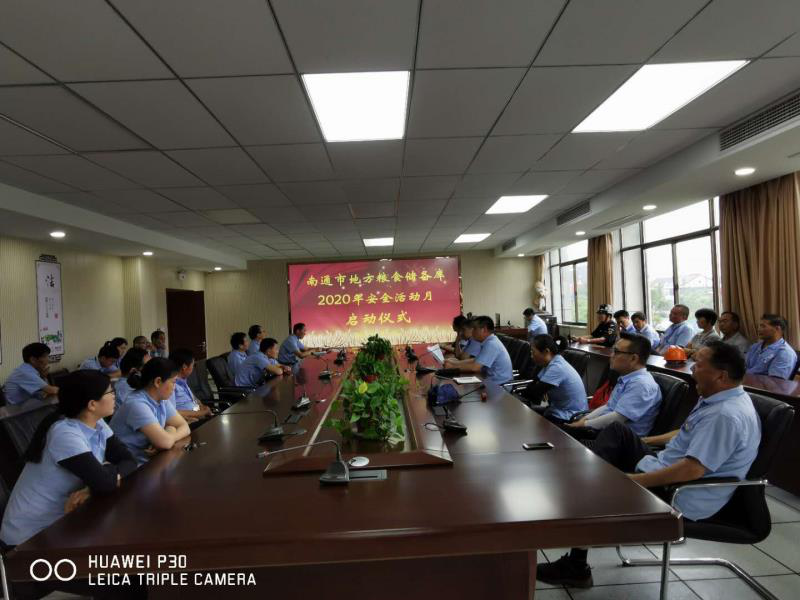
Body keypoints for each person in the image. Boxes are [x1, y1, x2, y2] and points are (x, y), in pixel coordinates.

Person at [539, 342, 760, 588]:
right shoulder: (717, 398)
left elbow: (692, 470)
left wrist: (631, 481)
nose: (692, 369)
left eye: (698, 365)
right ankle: (585, 483)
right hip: (664, 465)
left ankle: (576, 563)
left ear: (721, 375)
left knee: (596, 486)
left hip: (680, 493)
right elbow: (684, 432)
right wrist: (644, 441)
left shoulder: (725, 415)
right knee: (618, 433)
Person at [0, 370, 137, 546]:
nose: (114, 396)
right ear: (92, 404)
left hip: (64, 520)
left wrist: (91, 488)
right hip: (30, 535)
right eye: (110, 392)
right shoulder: (64, 433)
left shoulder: (97, 423)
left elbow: (128, 460)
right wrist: (104, 475)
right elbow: (104, 482)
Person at [565, 333, 661, 437]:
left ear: (633, 358)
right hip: (606, 433)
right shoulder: (627, 378)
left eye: (616, 352)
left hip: (621, 442)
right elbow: (609, 406)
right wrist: (585, 419)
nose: (611, 355)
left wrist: (584, 424)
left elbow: (618, 418)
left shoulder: (641, 384)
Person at [109, 358, 190, 465]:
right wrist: (167, 436)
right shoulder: (136, 404)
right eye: (173, 382)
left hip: (150, 461)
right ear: (158, 382)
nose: (174, 388)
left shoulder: (161, 399)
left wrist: (169, 432)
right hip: (131, 468)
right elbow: (165, 442)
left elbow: (184, 426)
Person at [522, 334, 587, 423]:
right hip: (557, 410)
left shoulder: (557, 367)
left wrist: (524, 396)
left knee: (528, 421)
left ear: (546, 351)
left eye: (533, 352)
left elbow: (534, 393)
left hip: (570, 416)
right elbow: (533, 386)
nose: (531, 356)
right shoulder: (552, 363)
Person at [444, 316, 513, 385]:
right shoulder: (488, 342)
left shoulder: (491, 344)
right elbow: (476, 360)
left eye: (474, 329)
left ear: (484, 329)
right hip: (490, 381)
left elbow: (475, 367)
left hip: (500, 386)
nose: (472, 331)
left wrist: (452, 367)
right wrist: (455, 363)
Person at [745, 314, 798, 380]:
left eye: (763, 326)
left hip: (759, 386)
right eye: (759, 326)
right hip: (743, 382)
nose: (759, 329)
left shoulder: (785, 353)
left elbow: (775, 382)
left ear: (777, 329)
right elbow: (743, 367)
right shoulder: (755, 346)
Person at [170, 348, 213, 423]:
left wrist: (203, 407)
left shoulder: (183, 381)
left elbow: (194, 399)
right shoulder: (171, 385)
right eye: (192, 365)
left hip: (199, 417)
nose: (193, 368)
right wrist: (203, 412)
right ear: (184, 367)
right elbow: (173, 413)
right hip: (191, 422)